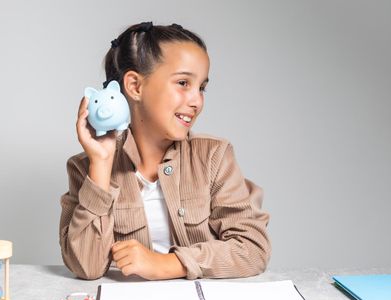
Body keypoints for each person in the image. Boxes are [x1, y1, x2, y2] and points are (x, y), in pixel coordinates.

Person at [59, 22, 270, 281]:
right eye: (183, 83)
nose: (197, 101)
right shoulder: (86, 168)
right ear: (135, 86)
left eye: (201, 87)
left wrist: (166, 264)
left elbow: (252, 249)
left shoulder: (214, 157)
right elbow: (86, 267)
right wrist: (101, 165)